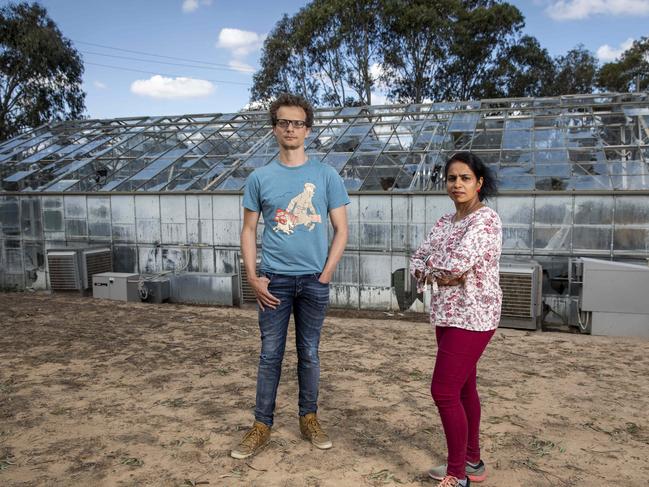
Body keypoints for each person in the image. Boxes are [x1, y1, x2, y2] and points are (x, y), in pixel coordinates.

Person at [231, 93, 350, 459]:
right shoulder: (260, 178)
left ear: (308, 130)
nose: (290, 128)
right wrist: (252, 276)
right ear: (274, 129)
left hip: (314, 280)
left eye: (297, 123)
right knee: (270, 354)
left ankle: (308, 417)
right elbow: (249, 230)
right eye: (283, 122)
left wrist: (326, 273)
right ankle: (261, 424)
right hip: (274, 281)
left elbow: (341, 229)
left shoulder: (327, 175)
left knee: (310, 354)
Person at [409, 152, 501, 487]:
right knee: (463, 388)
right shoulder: (444, 223)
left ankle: (457, 474)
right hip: (447, 313)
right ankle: (473, 461)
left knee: (443, 391)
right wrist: (437, 267)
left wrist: (436, 267)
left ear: (478, 183)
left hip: (474, 315)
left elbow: (455, 265)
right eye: (452, 178)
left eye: (465, 178)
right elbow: (417, 259)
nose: (457, 184)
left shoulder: (486, 220)